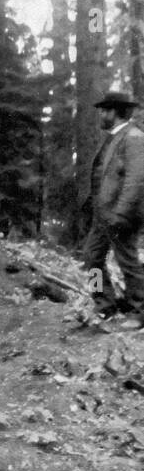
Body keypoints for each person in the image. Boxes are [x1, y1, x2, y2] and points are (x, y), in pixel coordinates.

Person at [84, 89, 144, 329]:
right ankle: (104, 305)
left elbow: (136, 181)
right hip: (103, 215)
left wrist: (122, 213)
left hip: (121, 215)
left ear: (115, 112)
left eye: (104, 110)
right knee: (91, 257)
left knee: (127, 261)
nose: (101, 114)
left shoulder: (134, 138)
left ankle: (139, 311)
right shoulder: (114, 137)